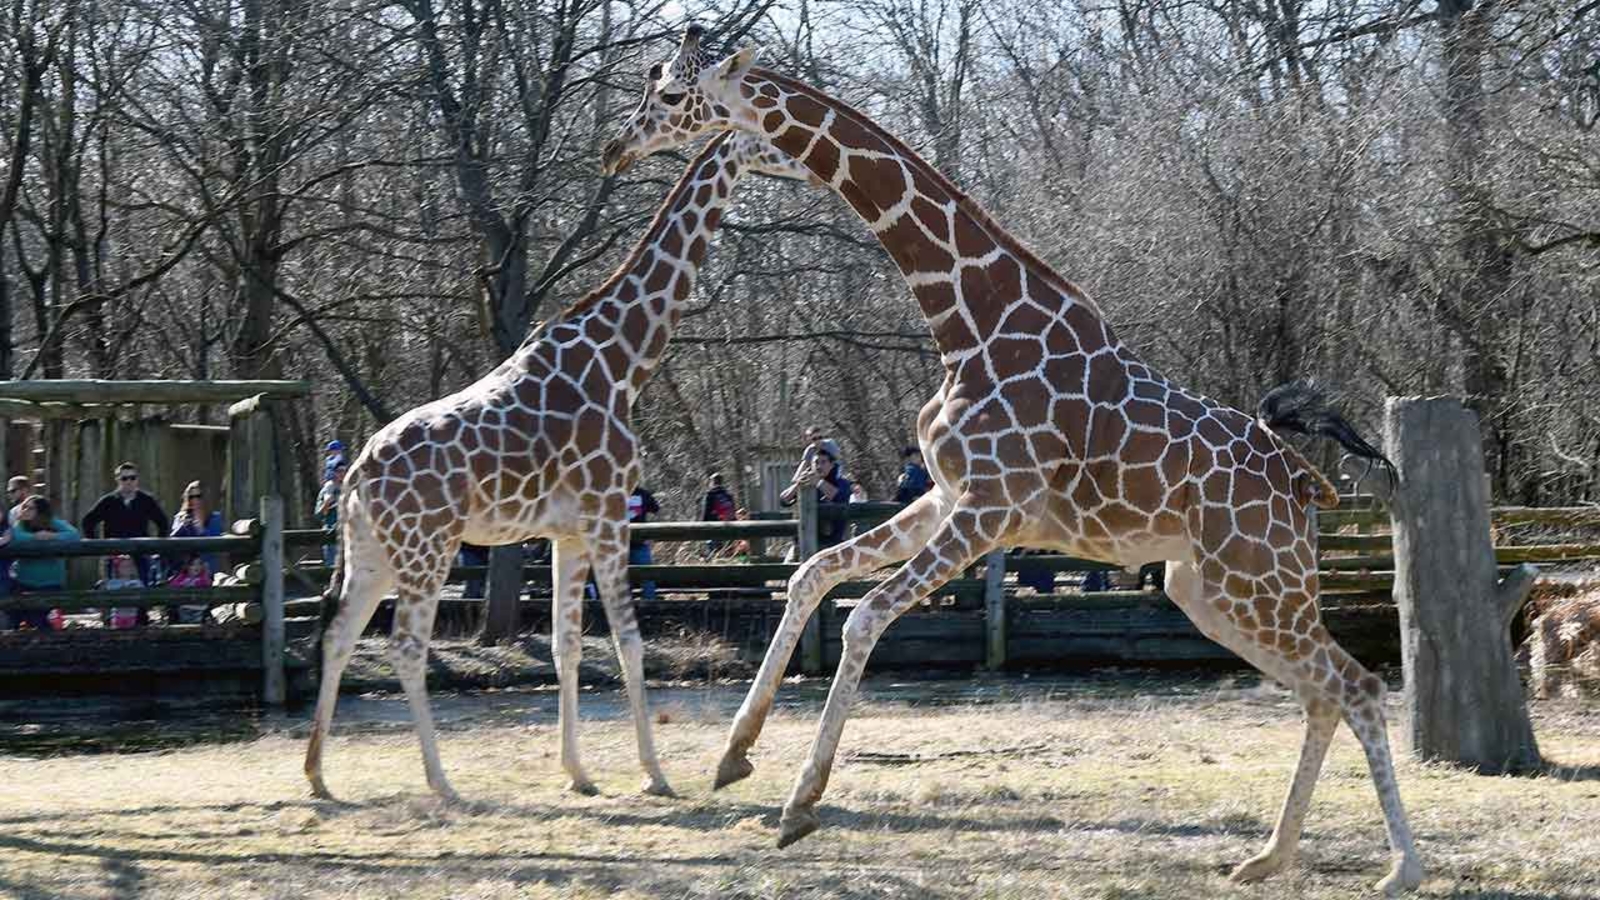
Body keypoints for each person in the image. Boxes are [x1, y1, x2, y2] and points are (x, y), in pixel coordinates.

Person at [81, 462, 167, 584]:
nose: (129, 481)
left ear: (137, 479)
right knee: (113, 589)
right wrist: (98, 547)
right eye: (124, 478)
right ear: (118, 480)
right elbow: (88, 521)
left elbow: (162, 522)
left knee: (143, 588)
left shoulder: (146, 500)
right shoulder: (108, 501)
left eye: (132, 478)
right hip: (114, 554)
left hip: (140, 553)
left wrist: (156, 547)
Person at [9, 495, 80, 630]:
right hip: (24, 581)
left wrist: (53, 536)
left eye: (30, 508)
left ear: (41, 511)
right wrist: (35, 537)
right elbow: (16, 537)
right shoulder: (20, 525)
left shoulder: (53, 522)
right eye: (24, 507)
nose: (25, 511)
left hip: (50, 582)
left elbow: (74, 535)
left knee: (41, 619)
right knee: (15, 611)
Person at [782, 446, 853, 549]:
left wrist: (818, 482)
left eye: (823, 462)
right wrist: (798, 485)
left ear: (832, 465)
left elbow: (839, 496)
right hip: (804, 544)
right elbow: (784, 500)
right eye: (816, 463)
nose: (819, 466)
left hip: (833, 545)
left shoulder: (842, 483)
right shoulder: (807, 482)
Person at [169, 480, 225, 577]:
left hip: (209, 570)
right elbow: (173, 542)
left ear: (205, 498)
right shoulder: (180, 518)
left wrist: (201, 529)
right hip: (185, 571)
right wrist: (183, 526)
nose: (194, 500)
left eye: (198, 496)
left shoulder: (215, 518)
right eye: (191, 497)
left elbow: (215, 547)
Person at [780, 426, 843, 505]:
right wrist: (798, 480)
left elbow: (837, 460)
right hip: (817, 472)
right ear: (809, 439)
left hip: (832, 469)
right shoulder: (809, 450)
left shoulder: (830, 444)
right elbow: (803, 465)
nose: (818, 441)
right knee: (807, 478)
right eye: (814, 439)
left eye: (820, 437)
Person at [627, 485, 660, 601]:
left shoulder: (642, 493)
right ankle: (648, 604)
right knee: (646, 576)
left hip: (633, 543)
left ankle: (648, 603)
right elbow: (656, 509)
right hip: (633, 543)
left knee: (645, 577)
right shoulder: (643, 493)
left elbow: (656, 509)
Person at [314, 459, 348, 568]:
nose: (342, 473)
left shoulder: (349, 489)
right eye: (339, 471)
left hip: (348, 535)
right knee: (332, 567)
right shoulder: (327, 489)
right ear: (334, 472)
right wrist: (327, 503)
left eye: (344, 471)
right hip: (331, 534)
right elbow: (318, 515)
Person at [101, 554, 145, 630]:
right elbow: (109, 593)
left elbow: (141, 594)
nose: (127, 569)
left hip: (132, 614)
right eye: (124, 567)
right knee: (117, 630)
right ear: (118, 569)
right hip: (117, 614)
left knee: (131, 630)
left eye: (129, 566)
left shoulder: (137, 582)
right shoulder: (113, 582)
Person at [700, 472, 737, 558]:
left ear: (712, 482)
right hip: (728, 527)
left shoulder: (710, 494)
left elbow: (706, 512)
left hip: (713, 527)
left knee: (714, 552)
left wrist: (702, 526)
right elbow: (733, 512)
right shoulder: (728, 495)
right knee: (727, 552)